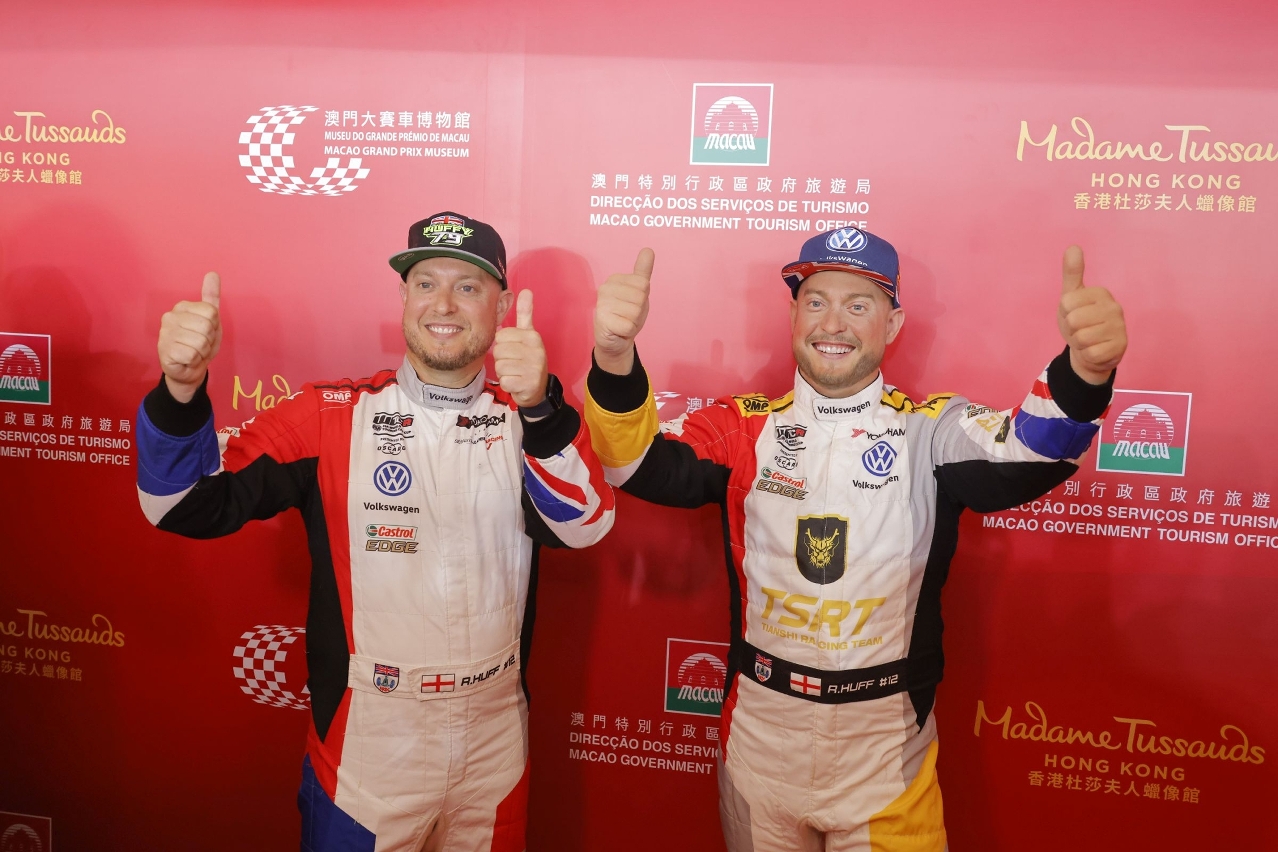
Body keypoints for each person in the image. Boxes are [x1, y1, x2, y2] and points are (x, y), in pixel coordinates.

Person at [584, 229, 1126, 851]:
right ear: (793, 315)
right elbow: (634, 463)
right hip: (759, 740)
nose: (832, 323)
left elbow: (1028, 452)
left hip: (886, 753)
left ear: (893, 324)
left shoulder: (931, 431)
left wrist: (1084, 374)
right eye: (815, 301)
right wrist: (614, 360)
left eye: (858, 304)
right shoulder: (741, 427)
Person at [135, 212, 615, 852]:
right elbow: (179, 505)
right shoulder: (328, 415)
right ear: (403, 298)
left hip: (495, 738)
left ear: (501, 307)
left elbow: (585, 526)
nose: (443, 304)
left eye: (468, 286)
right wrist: (180, 390)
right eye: (426, 283)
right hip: (370, 742)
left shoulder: (529, 419)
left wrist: (541, 409)